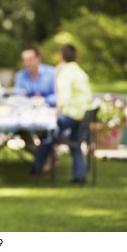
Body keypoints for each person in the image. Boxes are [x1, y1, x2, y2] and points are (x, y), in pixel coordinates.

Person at [32, 44, 92, 184]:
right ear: (76, 57)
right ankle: (80, 175)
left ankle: (37, 165)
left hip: (71, 115)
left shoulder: (65, 73)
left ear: (61, 57)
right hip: (84, 116)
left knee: (49, 136)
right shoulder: (81, 72)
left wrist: (55, 115)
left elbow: (63, 98)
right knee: (75, 143)